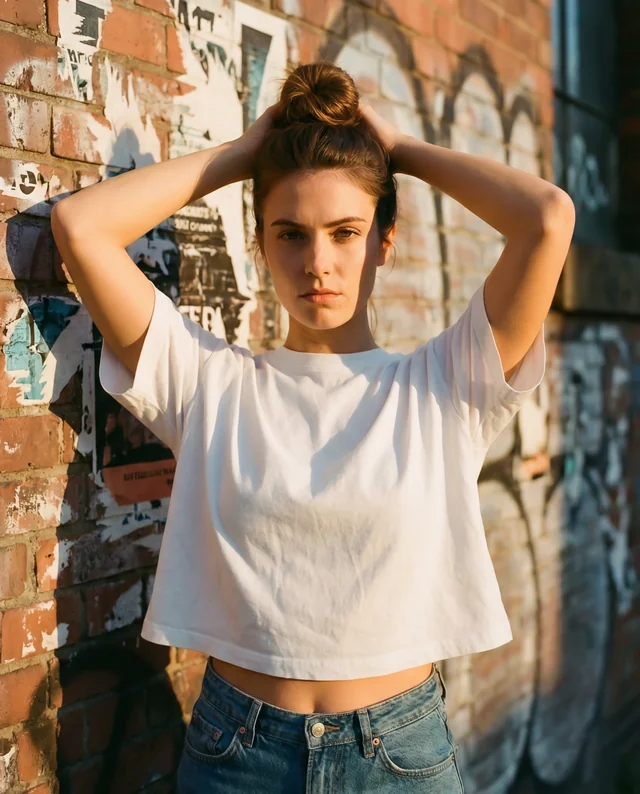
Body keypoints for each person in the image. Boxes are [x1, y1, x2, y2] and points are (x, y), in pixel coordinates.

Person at [51, 61, 574, 793]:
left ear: (384, 240)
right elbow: (81, 227)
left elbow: (547, 218)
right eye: (290, 233)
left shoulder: (443, 386)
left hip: (399, 758)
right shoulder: (209, 385)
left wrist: (399, 150)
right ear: (263, 245)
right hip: (237, 753)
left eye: (346, 231)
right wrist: (245, 153)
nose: (318, 262)